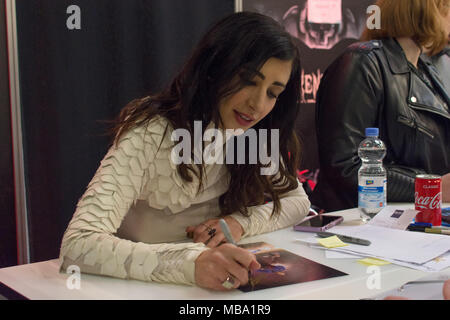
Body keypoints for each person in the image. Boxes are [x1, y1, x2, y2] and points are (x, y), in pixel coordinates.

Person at [58, 11, 310, 291]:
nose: (257, 105)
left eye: (273, 93)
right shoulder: (151, 131)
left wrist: (240, 223)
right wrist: (192, 263)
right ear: (216, 68)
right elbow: (78, 245)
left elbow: (297, 203)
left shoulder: (250, 136)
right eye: (249, 81)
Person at [310, 0, 450, 212]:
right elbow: (345, 166)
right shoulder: (364, 62)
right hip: (366, 226)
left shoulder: (429, 71)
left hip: (419, 220)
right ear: (430, 10)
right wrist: (432, 188)